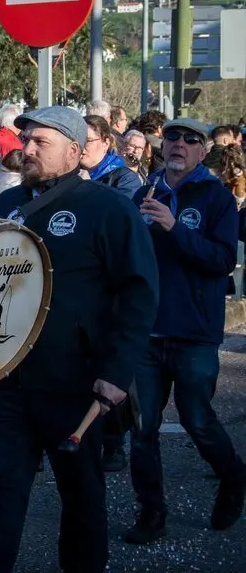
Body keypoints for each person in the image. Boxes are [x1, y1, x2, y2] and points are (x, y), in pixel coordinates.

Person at [0, 106, 158, 573]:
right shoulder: (3, 208)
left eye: (40, 142)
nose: (27, 149)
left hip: (75, 385)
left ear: (74, 151)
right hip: (4, 381)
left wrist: (116, 373)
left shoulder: (107, 207)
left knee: (81, 498)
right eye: (26, 140)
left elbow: (138, 293)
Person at [123, 118, 246, 545]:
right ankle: (152, 513)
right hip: (147, 333)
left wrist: (175, 228)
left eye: (190, 139)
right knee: (143, 427)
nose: (178, 144)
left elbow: (221, 261)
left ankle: (233, 477)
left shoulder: (216, 199)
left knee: (197, 419)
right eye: (172, 137)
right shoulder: (145, 192)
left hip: (194, 332)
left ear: (202, 150)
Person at [81, 115, 143, 199]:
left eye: (88, 141)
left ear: (106, 143)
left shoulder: (126, 179)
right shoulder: (69, 172)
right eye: (79, 140)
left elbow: (121, 210)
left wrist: (88, 188)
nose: (81, 145)